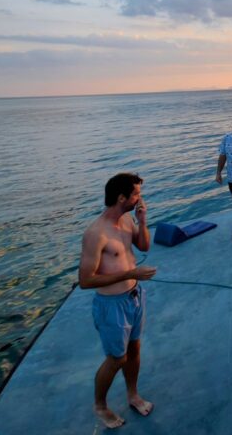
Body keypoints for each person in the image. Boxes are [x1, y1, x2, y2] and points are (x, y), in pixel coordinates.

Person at [78, 172, 156, 429]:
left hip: (135, 297)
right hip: (112, 305)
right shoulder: (96, 233)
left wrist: (142, 222)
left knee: (134, 350)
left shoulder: (125, 220)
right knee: (116, 358)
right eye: (136, 194)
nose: (139, 199)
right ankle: (100, 405)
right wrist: (131, 273)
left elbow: (144, 247)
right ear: (121, 197)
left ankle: (132, 394)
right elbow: (86, 281)